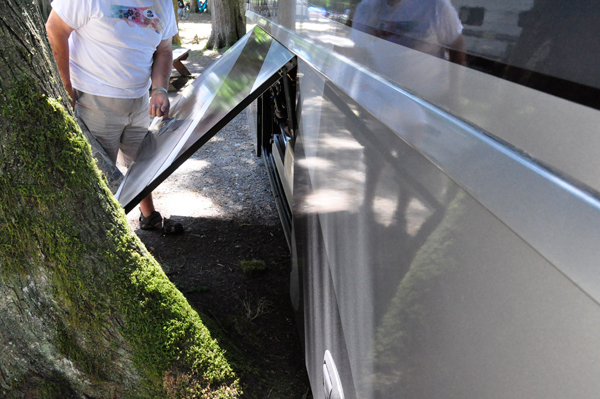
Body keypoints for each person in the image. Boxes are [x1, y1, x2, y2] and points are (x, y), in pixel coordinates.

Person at [46, 0, 184, 235]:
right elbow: (55, 28)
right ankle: (103, 233)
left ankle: (148, 215)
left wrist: (159, 89)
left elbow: (164, 50)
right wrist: (66, 86)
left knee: (141, 163)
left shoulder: (163, 2)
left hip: (140, 101)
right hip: (95, 100)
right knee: (100, 175)